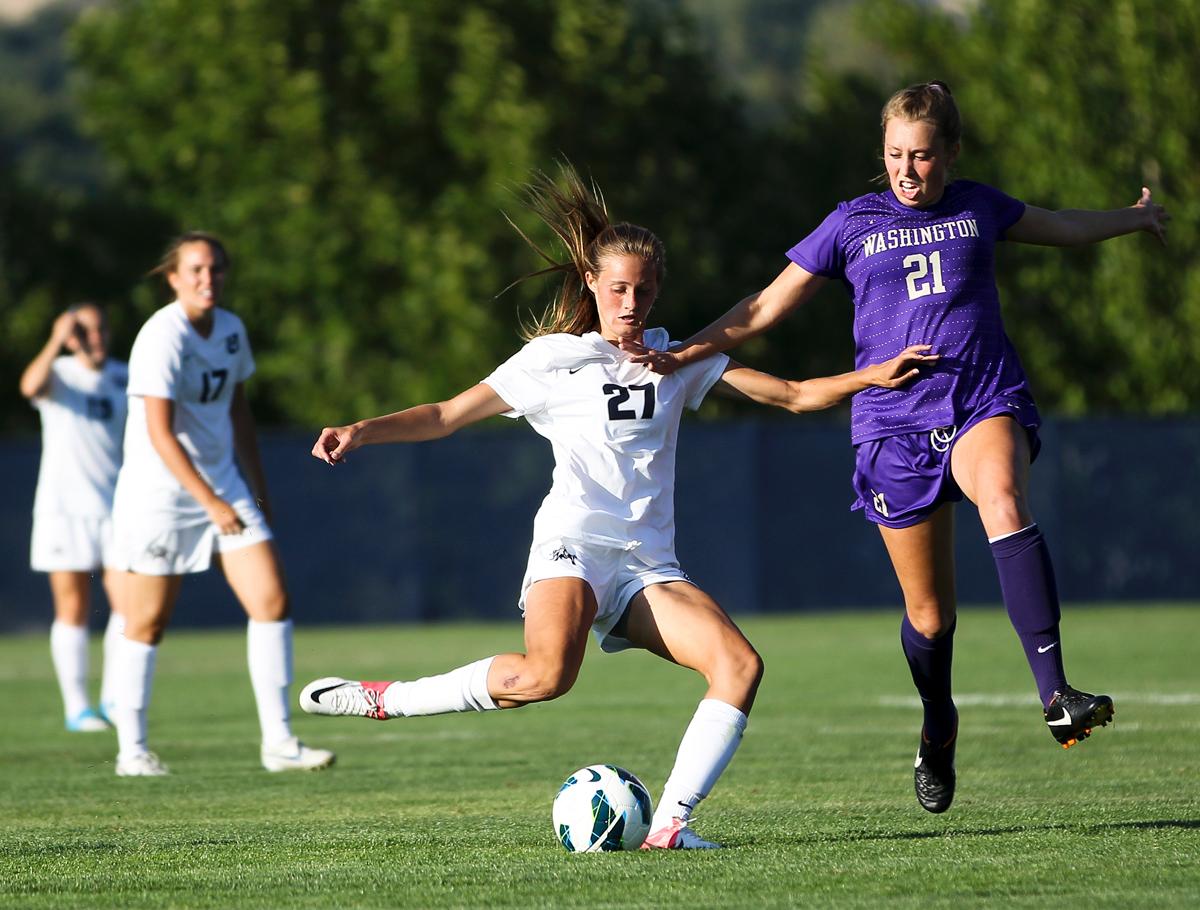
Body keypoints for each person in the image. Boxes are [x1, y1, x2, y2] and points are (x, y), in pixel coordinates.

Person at [299, 165, 934, 848]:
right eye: (620, 287)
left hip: (646, 567)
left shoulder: (678, 358)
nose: (632, 302)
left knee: (740, 666)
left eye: (646, 288)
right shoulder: (554, 360)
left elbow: (793, 394)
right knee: (545, 677)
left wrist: (867, 376)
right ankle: (387, 700)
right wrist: (361, 429)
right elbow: (447, 414)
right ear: (594, 286)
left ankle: (670, 827)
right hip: (573, 545)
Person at [623, 81, 1170, 814]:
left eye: (921, 155)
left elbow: (1063, 226)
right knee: (931, 619)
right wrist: (687, 350)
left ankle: (1056, 693)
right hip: (891, 430)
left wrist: (1132, 219)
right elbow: (762, 308)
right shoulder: (852, 222)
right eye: (894, 156)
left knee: (1004, 500)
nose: (907, 170)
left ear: (951, 153)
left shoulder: (979, 205)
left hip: (982, 401)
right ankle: (938, 725)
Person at [107, 231, 334, 777]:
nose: (207, 279)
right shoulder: (160, 336)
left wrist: (254, 486)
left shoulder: (231, 330)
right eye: (195, 270)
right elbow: (159, 434)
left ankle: (278, 742)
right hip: (159, 495)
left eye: (215, 270)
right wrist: (210, 503)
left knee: (271, 601)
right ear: (173, 277)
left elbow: (238, 415)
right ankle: (131, 751)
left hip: (223, 486)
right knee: (146, 623)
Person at [20, 303, 128, 733]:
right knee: (73, 607)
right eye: (84, 332)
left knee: (130, 604)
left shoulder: (125, 374)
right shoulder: (59, 373)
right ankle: (78, 707)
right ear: (68, 336)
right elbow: (29, 386)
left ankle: (116, 696)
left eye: (100, 328)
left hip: (118, 507)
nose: (95, 338)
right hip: (64, 509)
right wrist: (55, 338)